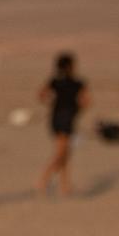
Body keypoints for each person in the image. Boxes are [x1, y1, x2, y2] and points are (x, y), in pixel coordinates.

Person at [36, 50, 87, 197]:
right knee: (62, 153)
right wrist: (77, 109)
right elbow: (86, 101)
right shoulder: (78, 83)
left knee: (65, 152)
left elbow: (41, 95)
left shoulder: (55, 81)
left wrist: (52, 104)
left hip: (56, 118)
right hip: (68, 119)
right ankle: (43, 180)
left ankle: (65, 185)